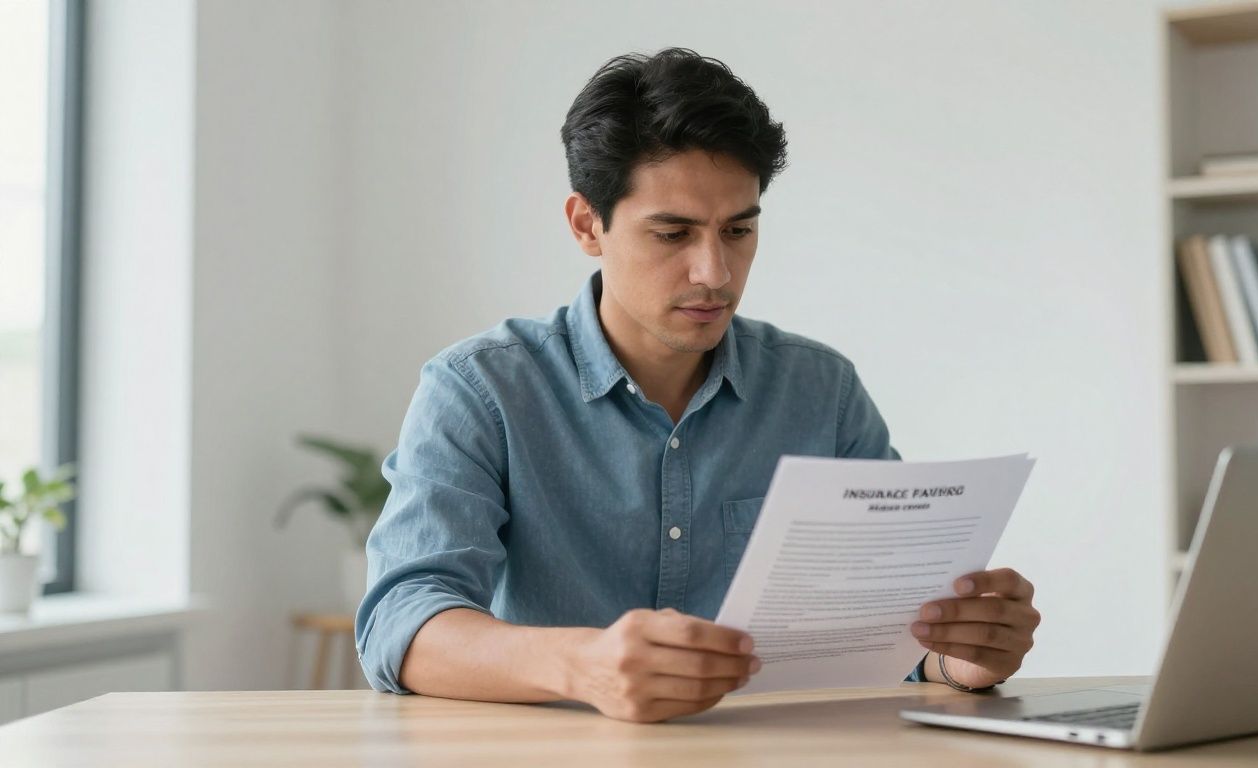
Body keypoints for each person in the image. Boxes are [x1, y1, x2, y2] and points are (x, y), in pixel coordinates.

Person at [355, 48, 1040, 723]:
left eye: (738, 230)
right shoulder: (481, 390)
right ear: (587, 225)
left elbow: (889, 631)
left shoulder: (820, 389)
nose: (714, 272)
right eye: (673, 233)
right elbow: (399, 622)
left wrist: (960, 658)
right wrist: (583, 664)